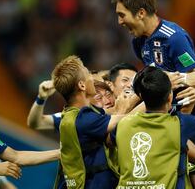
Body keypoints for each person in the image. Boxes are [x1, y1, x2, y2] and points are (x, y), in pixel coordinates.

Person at [109, 66, 195, 189]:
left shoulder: (122, 125)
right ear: (170, 97)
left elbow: (109, 141)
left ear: (141, 96)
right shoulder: (179, 124)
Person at [51, 55, 136, 189]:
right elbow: (123, 118)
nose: (93, 78)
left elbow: (110, 113)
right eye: (88, 74)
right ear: (82, 85)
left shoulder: (72, 115)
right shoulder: (83, 120)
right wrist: (148, 93)